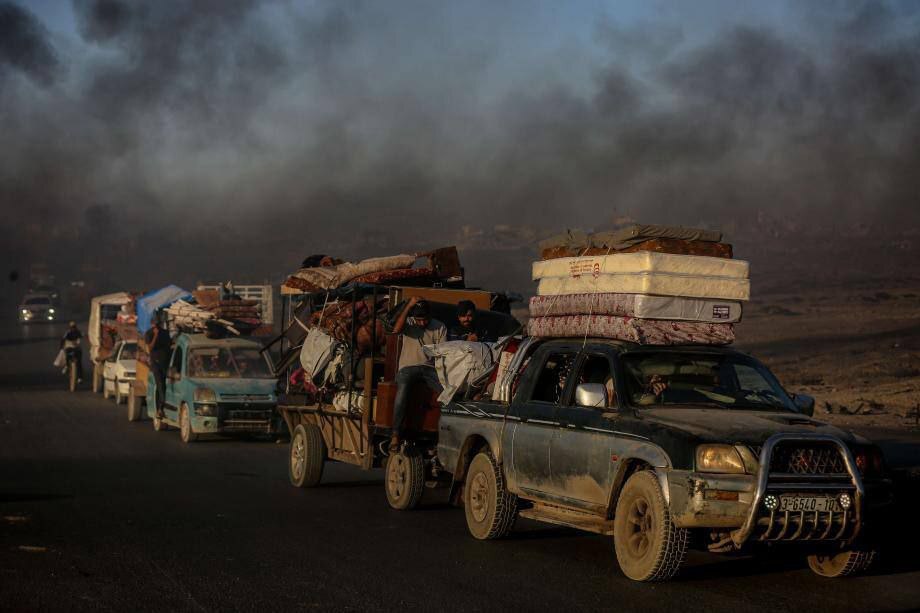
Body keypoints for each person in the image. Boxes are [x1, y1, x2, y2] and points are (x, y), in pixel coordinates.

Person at [389, 297, 446, 451]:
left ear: (430, 316)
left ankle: (445, 434)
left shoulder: (439, 327)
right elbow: (396, 330)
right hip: (408, 367)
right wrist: (409, 306)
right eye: (419, 319)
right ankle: (396, 433)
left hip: (429, 368)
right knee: (402, 390)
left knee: (447, 393)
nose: (422, 323)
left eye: (425, 319)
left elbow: (442, 353)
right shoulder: (409, 323)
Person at [144, 320, 172, 419]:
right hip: (156, 363)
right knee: (160, 384)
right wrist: (155, 335)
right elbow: (150, 348)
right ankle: (161, 408)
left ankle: (164, 406)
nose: (155, 326)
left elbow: (169, 345)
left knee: (167, 384)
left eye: (157, 324)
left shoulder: (165, 333)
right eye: (154, 324)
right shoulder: (149, 334)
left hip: (165, 362)